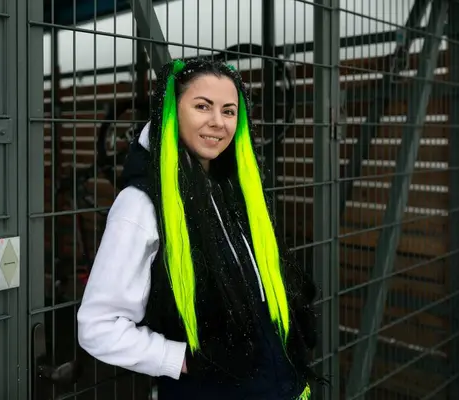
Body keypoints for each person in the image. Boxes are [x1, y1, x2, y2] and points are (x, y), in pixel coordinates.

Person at [77, 58, 321, 399]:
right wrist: (182, 359)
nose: (218, 122)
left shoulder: (230, 187)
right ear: (172, 111)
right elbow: (97, 327)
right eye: (202, 106)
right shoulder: (141, 204)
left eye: (229, 110)